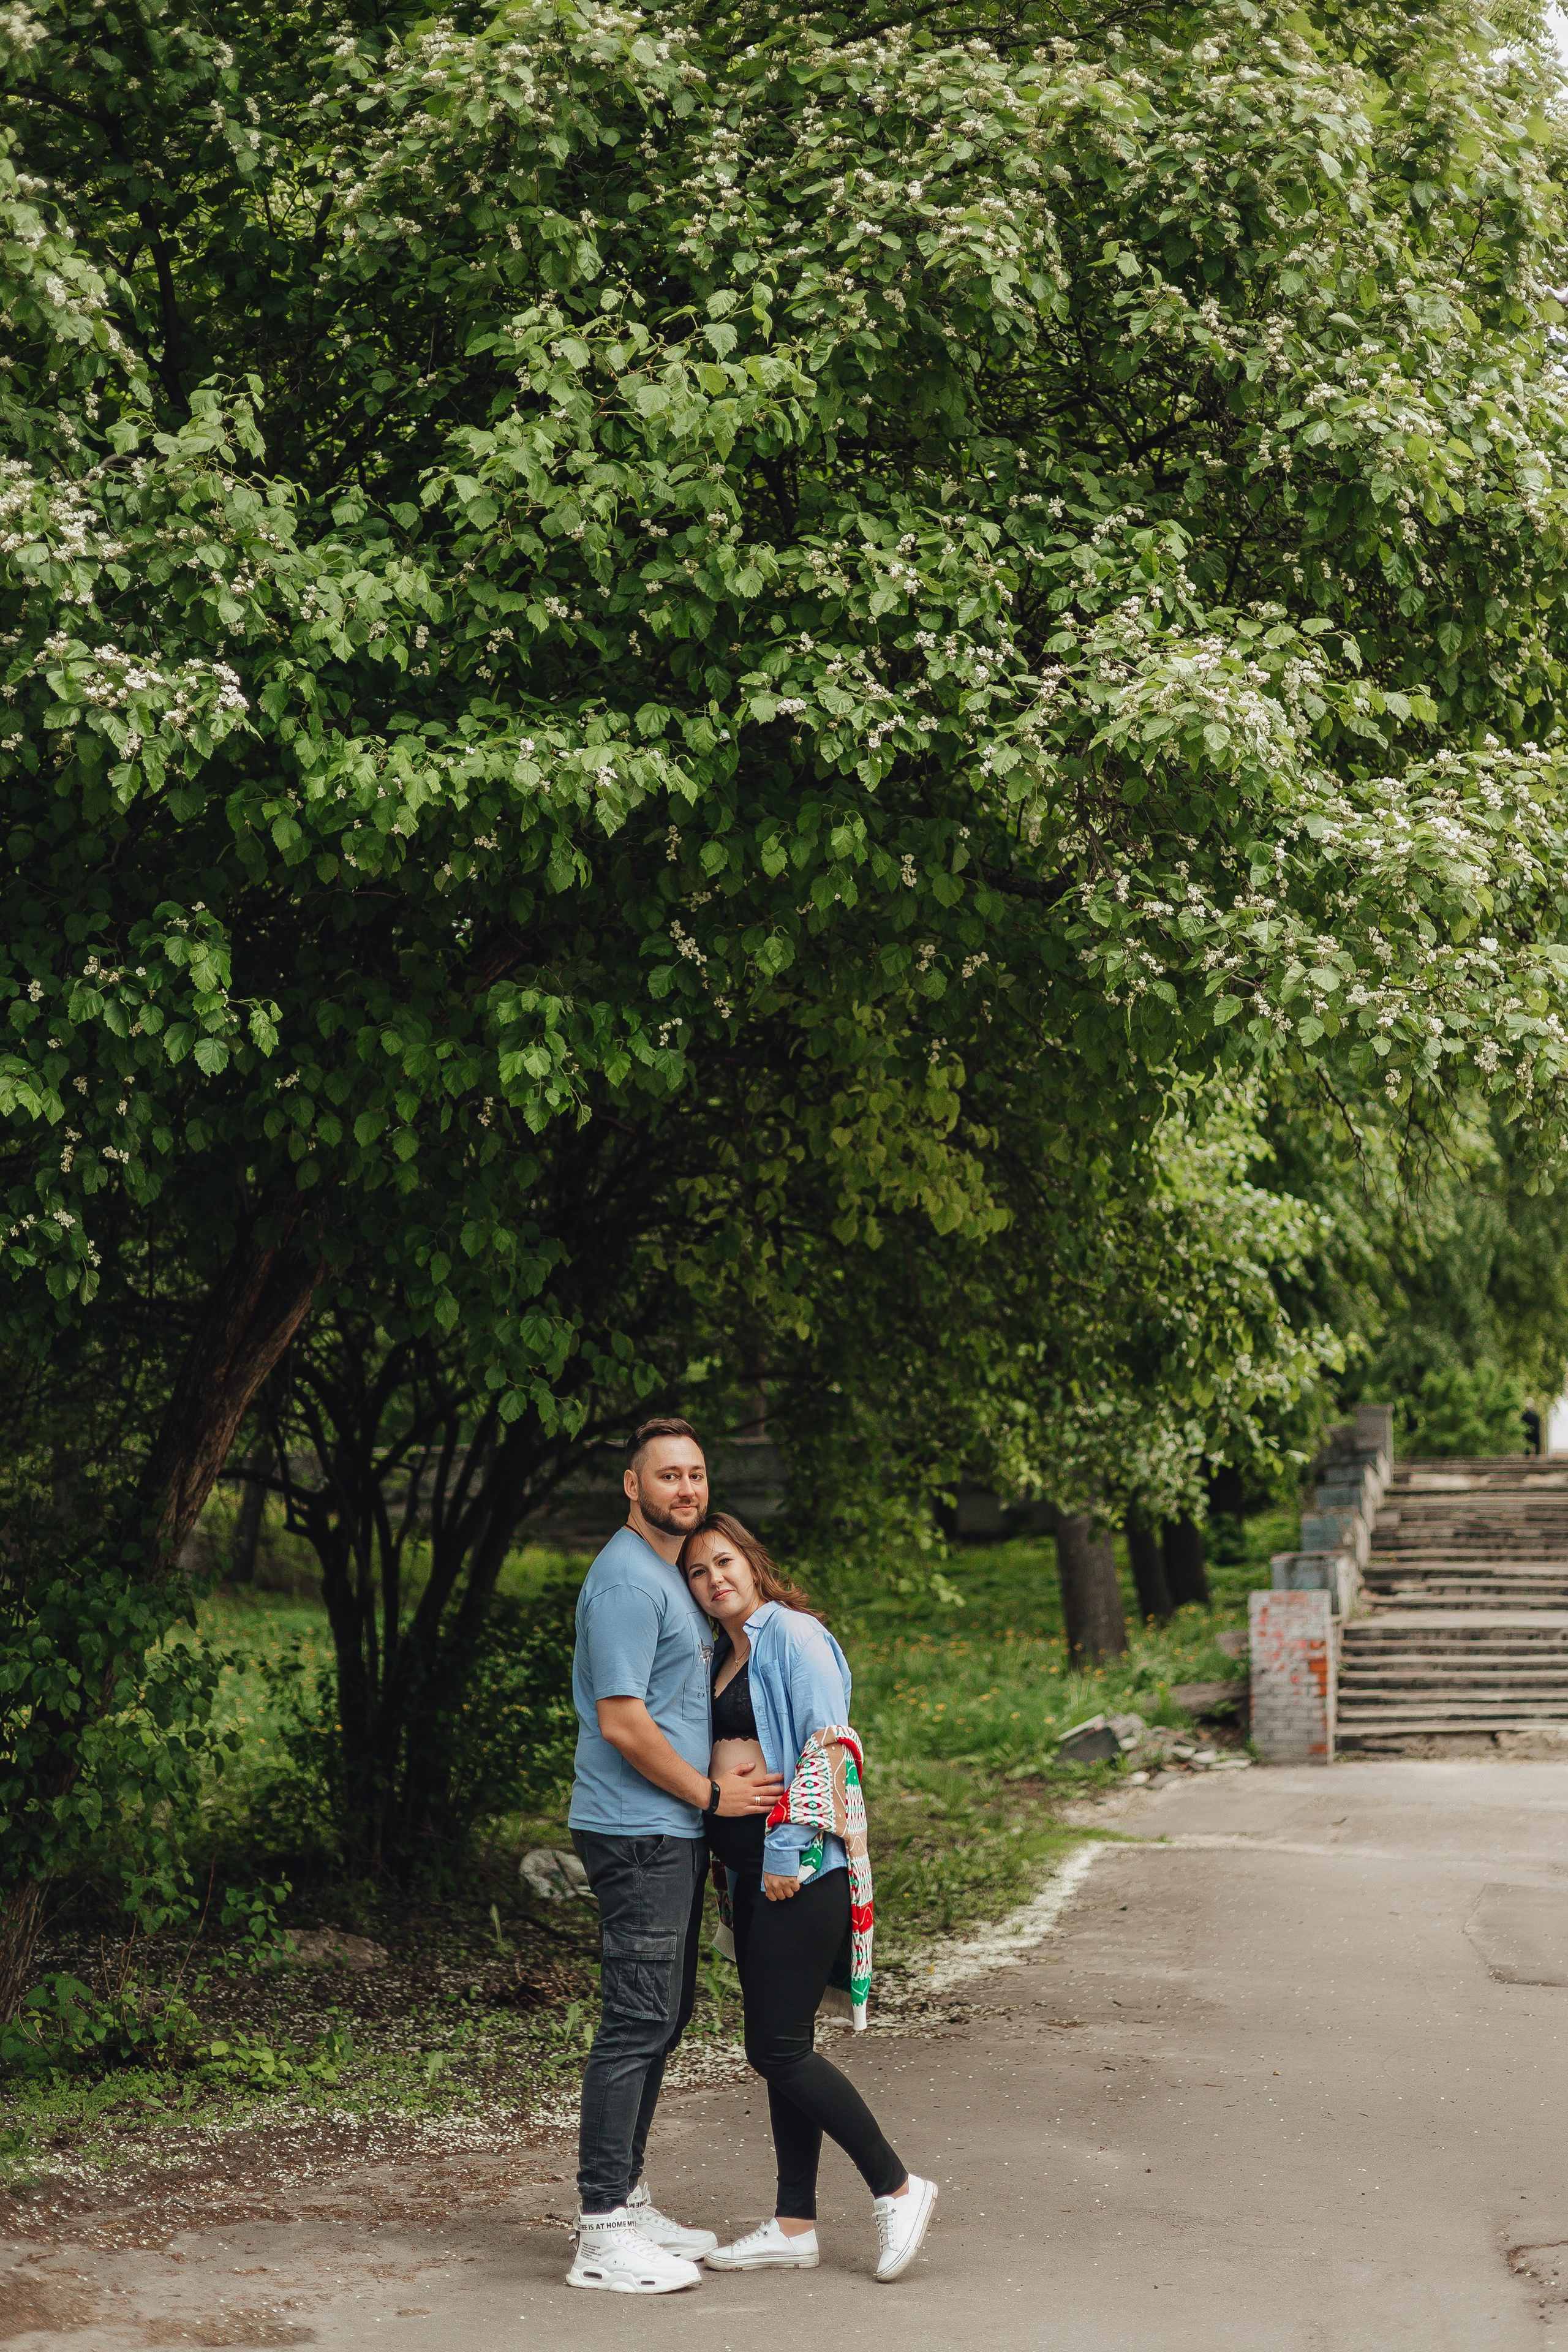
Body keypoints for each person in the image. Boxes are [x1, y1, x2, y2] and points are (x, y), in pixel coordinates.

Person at [682, 1512, 938, 2285]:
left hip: (800, 1872)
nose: (714, 1579)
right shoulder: (726, 1653)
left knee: (776, 2049)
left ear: (751, 1562)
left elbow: (829, 1747)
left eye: (724, 1562)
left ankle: (897, 2186)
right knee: (783, 2044)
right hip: (752, 1881)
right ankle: (794, 2224)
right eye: (697, 1572)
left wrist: (787, 1849)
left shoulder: (792, 1636)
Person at [565, 1420, 786, 2295]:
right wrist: (712, 1796)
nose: (686, 1489)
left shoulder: (667, 1577)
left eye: (696, 1474)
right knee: (637, 2017)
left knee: (664, 2011)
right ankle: (599, 2230)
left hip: (668, 1831)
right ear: (633, 1485)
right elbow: (623, 1722)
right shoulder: (626, 1581)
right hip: (639, 1828)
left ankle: (626, 2194)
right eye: (668, 1476)